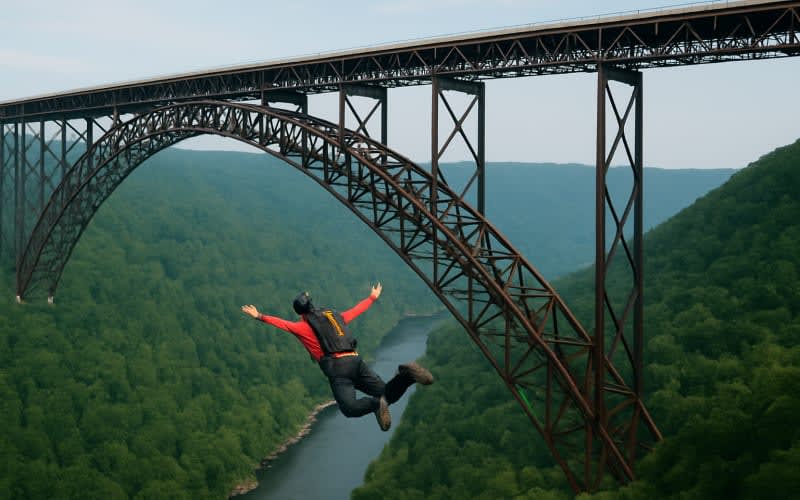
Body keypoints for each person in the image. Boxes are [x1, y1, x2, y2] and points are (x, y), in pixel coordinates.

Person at [240, 282, 433, 431]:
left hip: (339, 369)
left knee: (349, 408)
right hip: (356, 361)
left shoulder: (302, 327)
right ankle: (406, 376)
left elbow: (282, 324)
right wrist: (372, 298)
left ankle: (376, 404)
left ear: (299, 314)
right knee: (387, 393)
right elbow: (355, 311)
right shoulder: (334, 317)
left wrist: (260, 316)